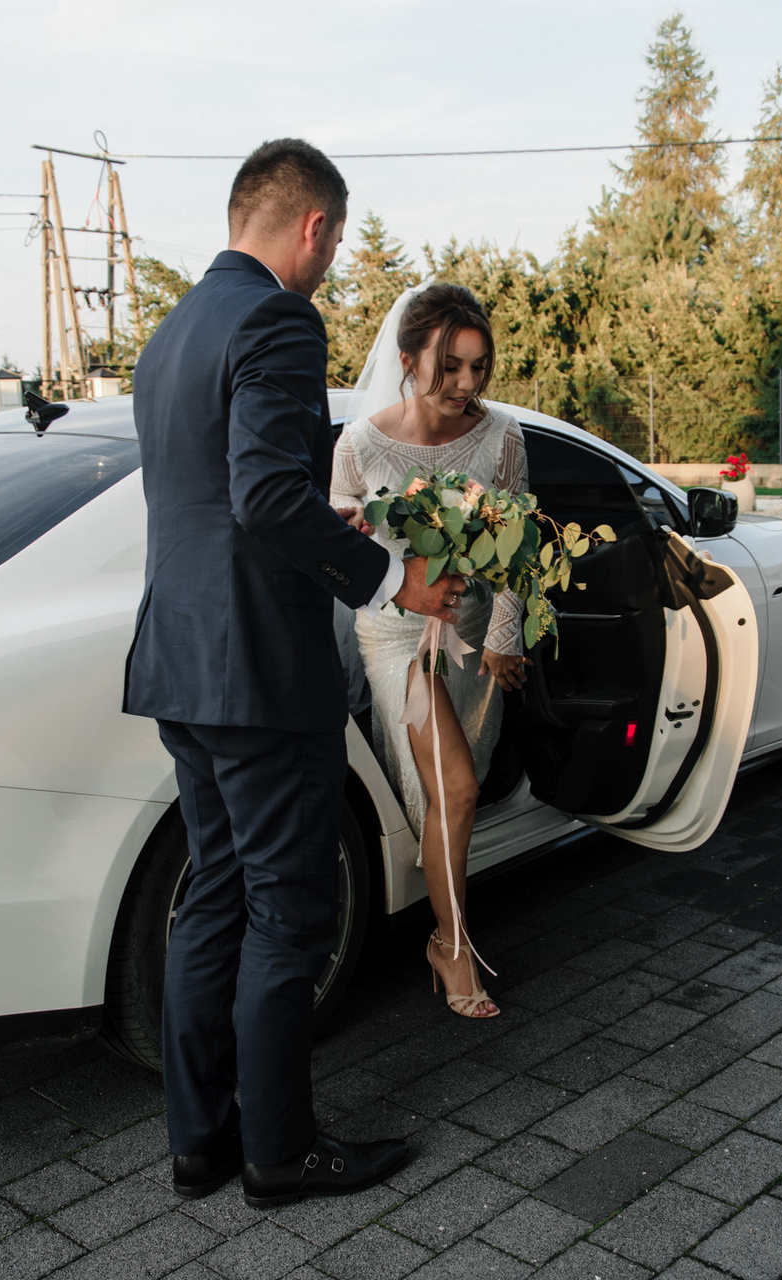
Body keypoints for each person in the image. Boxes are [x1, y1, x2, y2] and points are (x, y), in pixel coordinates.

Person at [125, 139, 461, 1209]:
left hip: (182, 658)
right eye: (337, 240)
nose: (332, 262)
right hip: (261, 671)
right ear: (313, 225)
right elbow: (267, 497)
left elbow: (224, 497)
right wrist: (395, 579)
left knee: (214, 894)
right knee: (287, 910)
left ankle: (200, 1142)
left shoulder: (173, 332)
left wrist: (324, 523)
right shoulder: (277, 319)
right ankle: (279, 1150)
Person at [330, 283, 529, 1020]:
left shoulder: (502, 436)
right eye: (450, 366)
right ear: (408, 360)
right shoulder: (359, 446)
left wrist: (504, 639)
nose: (467, 383)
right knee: (458, 789)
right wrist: (348, 532)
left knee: (456, 792)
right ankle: (451, 944)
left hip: (472, 635)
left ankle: (444, 917)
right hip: (396, 636)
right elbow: (338, 545)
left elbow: (518, 547)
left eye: (478, 366)